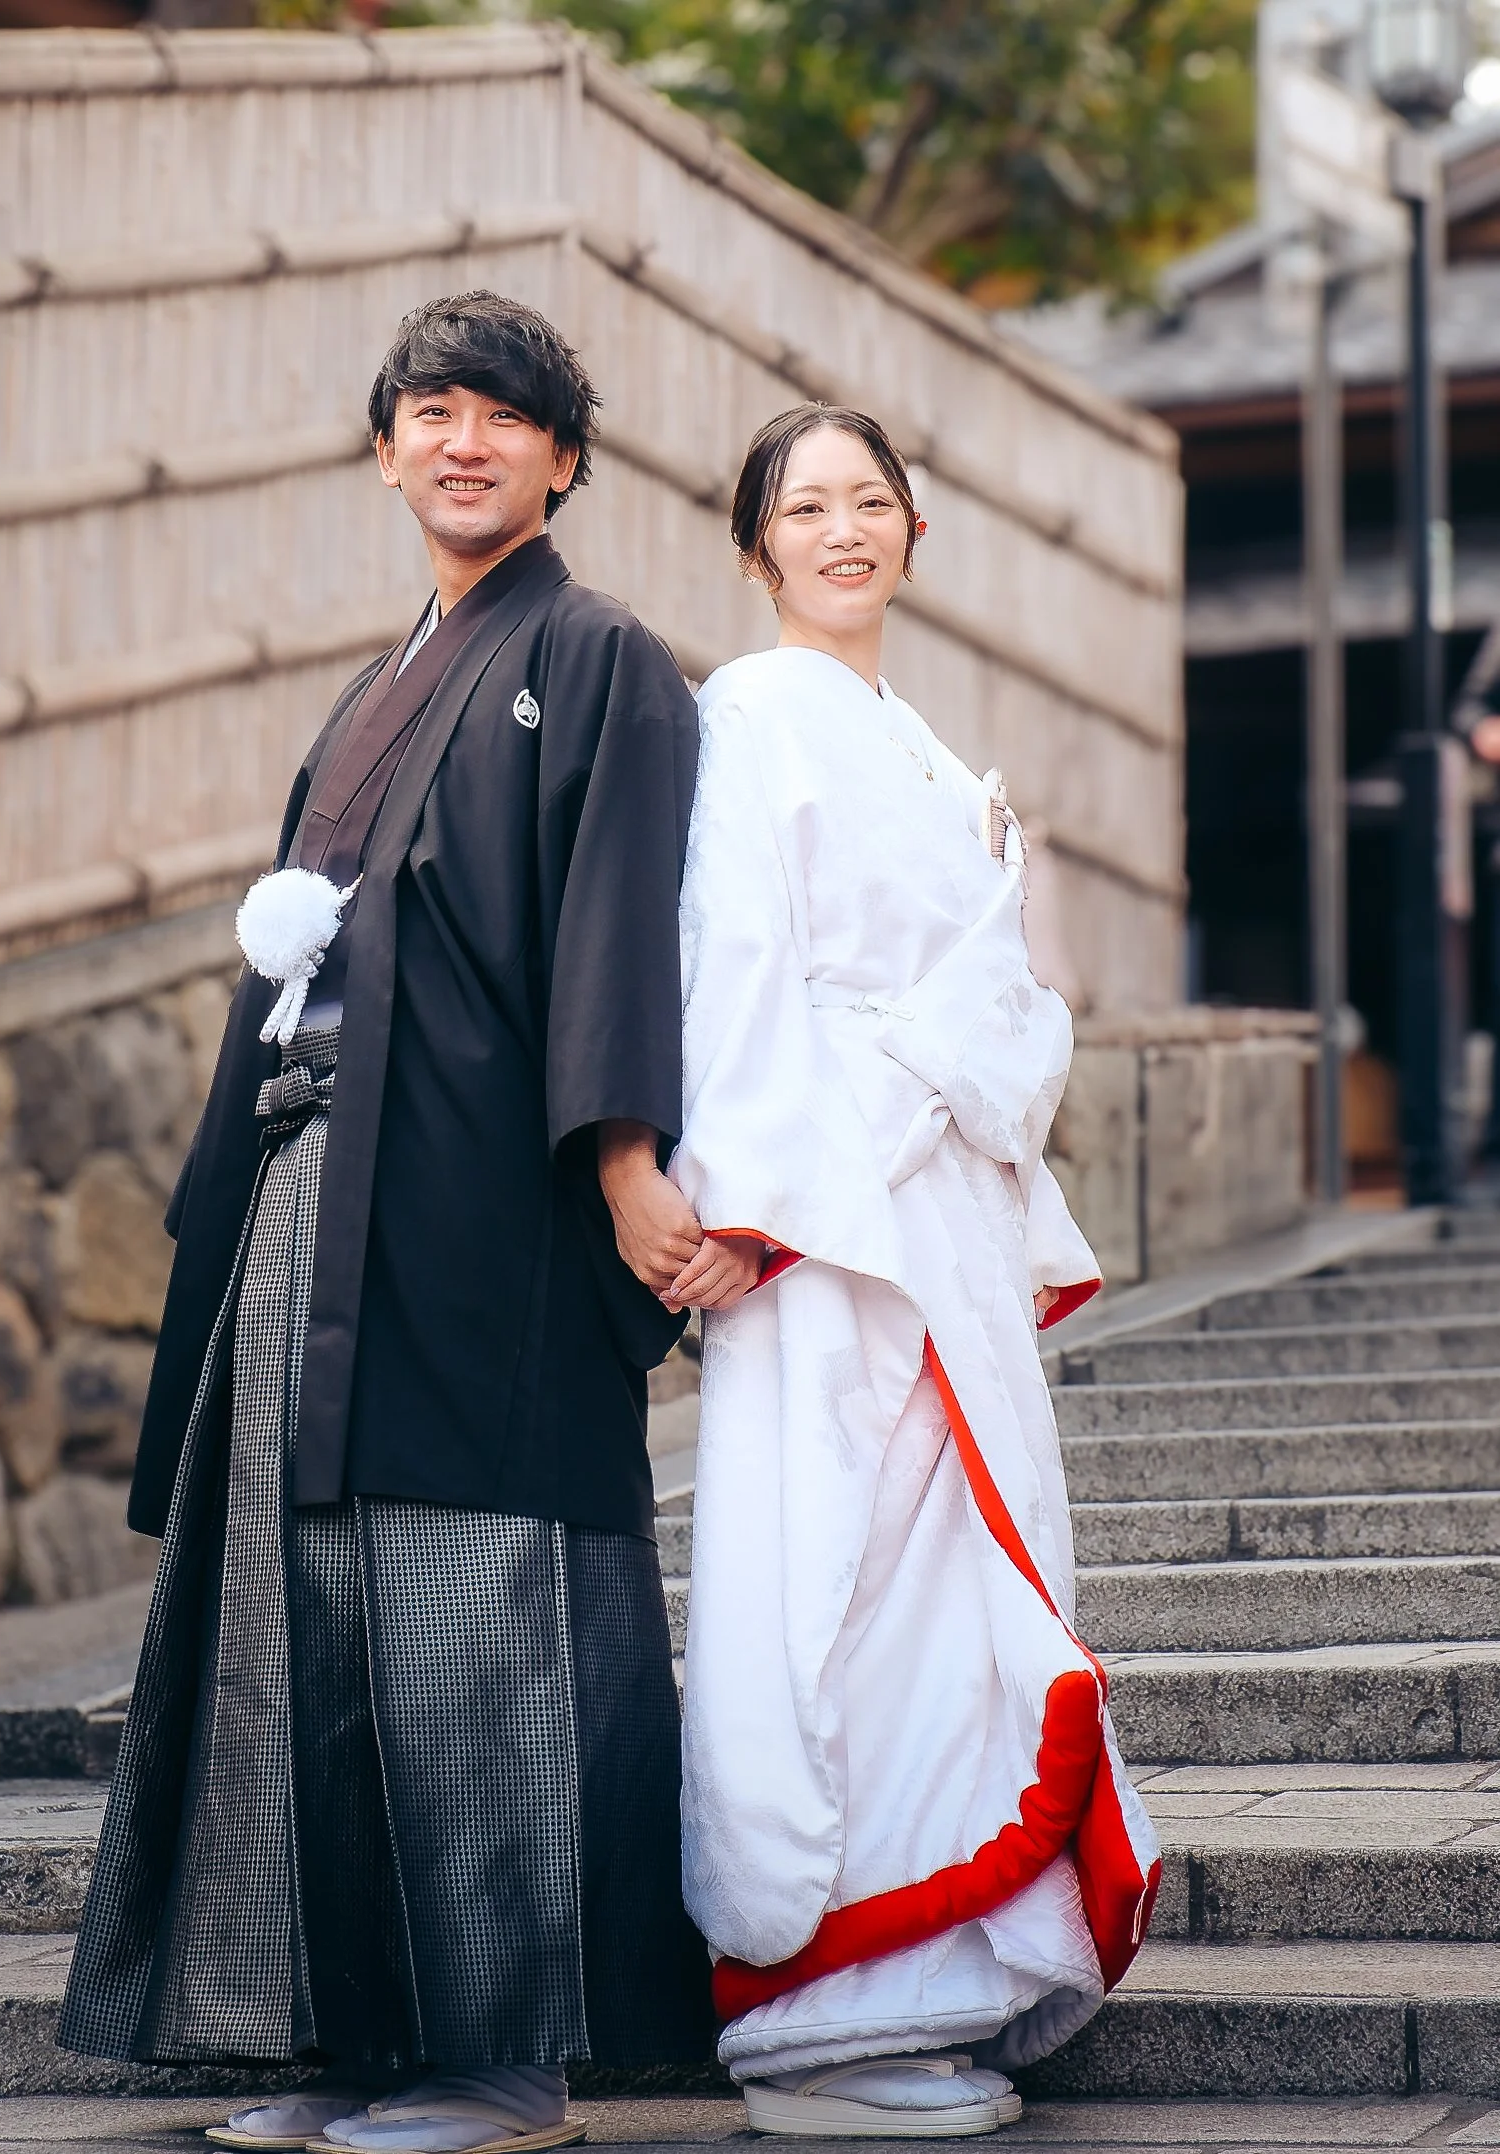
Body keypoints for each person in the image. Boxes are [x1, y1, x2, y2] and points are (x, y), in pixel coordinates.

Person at [59, 292, 715, 2153]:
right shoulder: (372, 686)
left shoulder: (598, 659)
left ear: (564, 459)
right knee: (307, 1616)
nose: (463, 440)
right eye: (429, 410)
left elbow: (614, 930)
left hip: (474, 1206)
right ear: (381, 449)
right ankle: (353, 2042)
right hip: (306, 1195)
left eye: (505, 416)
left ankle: (502, 2066)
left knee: (466, 1605)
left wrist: (623, 1163)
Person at [666, 405, 1160, 2138]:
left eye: (870, 499)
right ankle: (823, 1997)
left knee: (955, 1560)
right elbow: (733, 963)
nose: (842, 528)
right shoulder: (746, 712)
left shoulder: (927, 748)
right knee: (835, 1559)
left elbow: (1014, 1011)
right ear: (756, 546)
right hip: (830, 1201)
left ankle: (955, 1963)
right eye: (805, 506)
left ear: (913, 530)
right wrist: (749, 1192)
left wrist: (977, 1044)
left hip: (936, 1188)